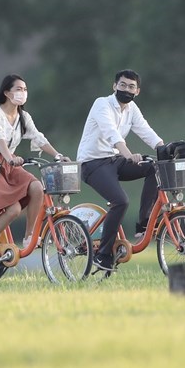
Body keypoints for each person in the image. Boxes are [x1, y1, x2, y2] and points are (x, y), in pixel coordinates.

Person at [0, 74, 70, 269]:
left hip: (10, 163)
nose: (22, 93)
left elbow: (38, 137)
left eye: (25, 90)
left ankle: (29, 237)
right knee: (13, 209)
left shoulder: (23, 117)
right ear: (7, 93)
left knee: (36, 187)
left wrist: (57, 155)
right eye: (18, 89)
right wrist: (9, 156)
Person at [76, 69, 164, 272]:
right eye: (122, 85)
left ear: (137, 91)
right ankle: (103, 254)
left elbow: (144, 129)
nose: (126, 89)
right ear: (114, 86)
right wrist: (127, 153)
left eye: (131, 86)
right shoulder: (102, 104)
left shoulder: (132, 108)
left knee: (154, 169)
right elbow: (111, 132)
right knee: (121, 201)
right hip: (93, 163)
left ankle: (143, 223)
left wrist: (163, 147)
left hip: (115, 159)